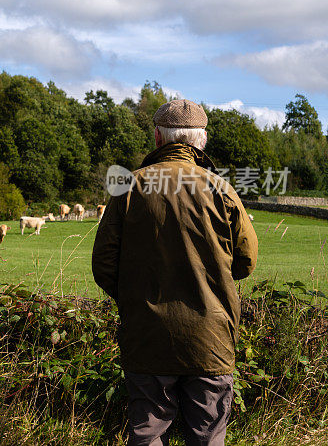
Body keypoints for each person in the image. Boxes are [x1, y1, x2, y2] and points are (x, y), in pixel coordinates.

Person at [92, 99, 258, 446]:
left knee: (148, 432)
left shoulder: (129, 187)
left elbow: (104, 265)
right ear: (202, 140)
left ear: (157, 137)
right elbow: (246, 261)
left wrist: (138, 301)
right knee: (208, 436)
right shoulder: (221, 189)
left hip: (147, 335)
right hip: (210, 336)